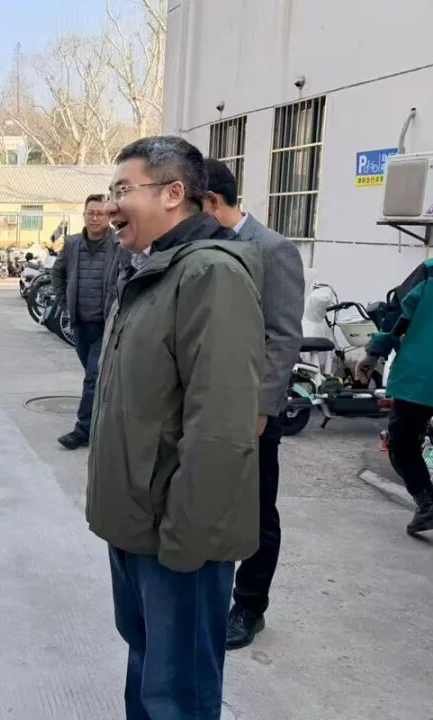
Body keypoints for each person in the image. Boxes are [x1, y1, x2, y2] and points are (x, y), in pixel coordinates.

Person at [87, 136, 264, 719]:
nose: (110, 206)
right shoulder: (153, 271)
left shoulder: (210, 276)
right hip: (138, 525)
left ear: (172, 194)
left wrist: (188, 542)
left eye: (123, 189)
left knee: (177, 692)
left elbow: (221, 427)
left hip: (178, 537)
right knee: (148, 668)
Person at [204, 158, 306, 650]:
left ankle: (249, 605)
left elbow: (283, 336)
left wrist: (262, 409)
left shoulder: (272, 249)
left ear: (211, 202)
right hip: (205, 405)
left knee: (257, 511)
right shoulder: (201, 247)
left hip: (251, 411)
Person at [357, 208, 433, 643]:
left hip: (421, 378)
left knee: (402, 440)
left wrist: (374, 353)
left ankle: (425, 504)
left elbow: (397, 315)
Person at [50, 194, 123, 450]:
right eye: (90, 213)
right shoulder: (72, 245)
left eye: (100, 213)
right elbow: (57, 274)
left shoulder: (119, 244)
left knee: (93, 376)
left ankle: (83, 431)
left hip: (107, 325)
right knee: (97, 377)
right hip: (80, 324)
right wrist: (64, 304)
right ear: (83, 215)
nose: (95, 218)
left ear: (108, 217)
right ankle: (105, 422)